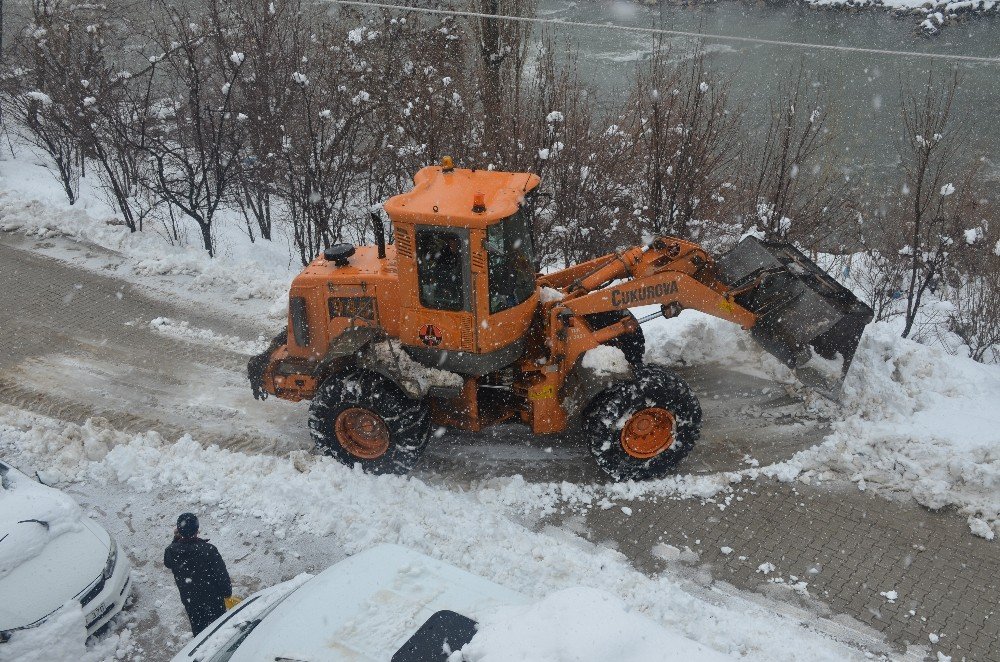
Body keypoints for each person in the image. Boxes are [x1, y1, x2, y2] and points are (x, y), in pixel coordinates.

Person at [163, 512, 233, 635]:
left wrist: (176, 540)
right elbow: (222, 576)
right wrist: (227, 593)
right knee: (220, 630)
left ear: (178, 531)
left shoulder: (171, 552)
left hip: (191, 601)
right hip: (213, 600)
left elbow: (168, 563)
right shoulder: (208, 550)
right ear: (197, 530)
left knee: (200, 632)